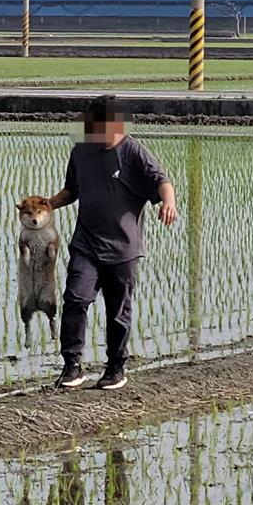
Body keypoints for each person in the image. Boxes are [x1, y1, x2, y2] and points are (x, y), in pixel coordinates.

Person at [47, 96, 177, 389]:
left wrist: (168, 202)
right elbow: (71, 190)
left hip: (123, 249)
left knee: (118, 312)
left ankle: (116, 368)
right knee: (75, 299)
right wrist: (47, 205)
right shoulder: (81, 151)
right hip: (86, 244)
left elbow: (161, 181)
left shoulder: (132, 151)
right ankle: (72, 366)